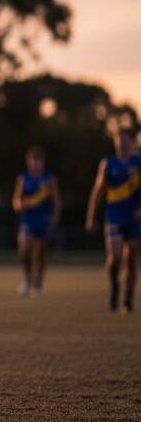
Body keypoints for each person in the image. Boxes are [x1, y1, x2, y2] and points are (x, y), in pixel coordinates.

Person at [86, 127, 141, 314]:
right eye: (120, 140)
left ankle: (128, 296)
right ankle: (114, 287)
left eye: (126, 141)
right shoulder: (108, 164)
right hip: (114, 216)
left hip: (134, 219)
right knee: (115, 256)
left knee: (132, 257)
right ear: (115, 142)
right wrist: (91, 216)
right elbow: (98, 191)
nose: (123, 144)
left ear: (132, 142)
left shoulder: (139, 163)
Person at [11, 146, 61, 297]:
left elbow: (57, 201)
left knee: (40, 253)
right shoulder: (23, 179)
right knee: (24, 250)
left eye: (38, 162)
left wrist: (54, 219)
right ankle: (27, 279)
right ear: (28, 163)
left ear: (43, 163)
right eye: (33, 162)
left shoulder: (49, 180)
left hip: (43, 220)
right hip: (27, 220)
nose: (36, 165)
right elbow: (16, 200)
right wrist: (19, 205)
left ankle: (38, 284)